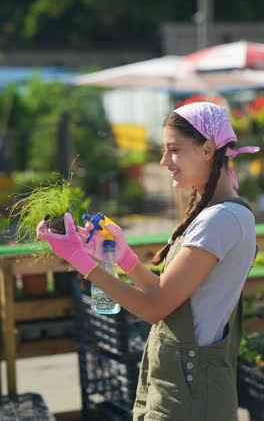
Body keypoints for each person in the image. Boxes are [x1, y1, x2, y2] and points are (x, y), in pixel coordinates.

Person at [37, 102, 260, 421]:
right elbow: (166, 296)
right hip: (183, 388)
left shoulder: (222, 219)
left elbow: (154, 308)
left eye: (173, 150)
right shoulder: (218, 214)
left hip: (191, 399)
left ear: (208, 148)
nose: (164, 161)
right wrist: (122, 256)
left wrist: (79, 260)